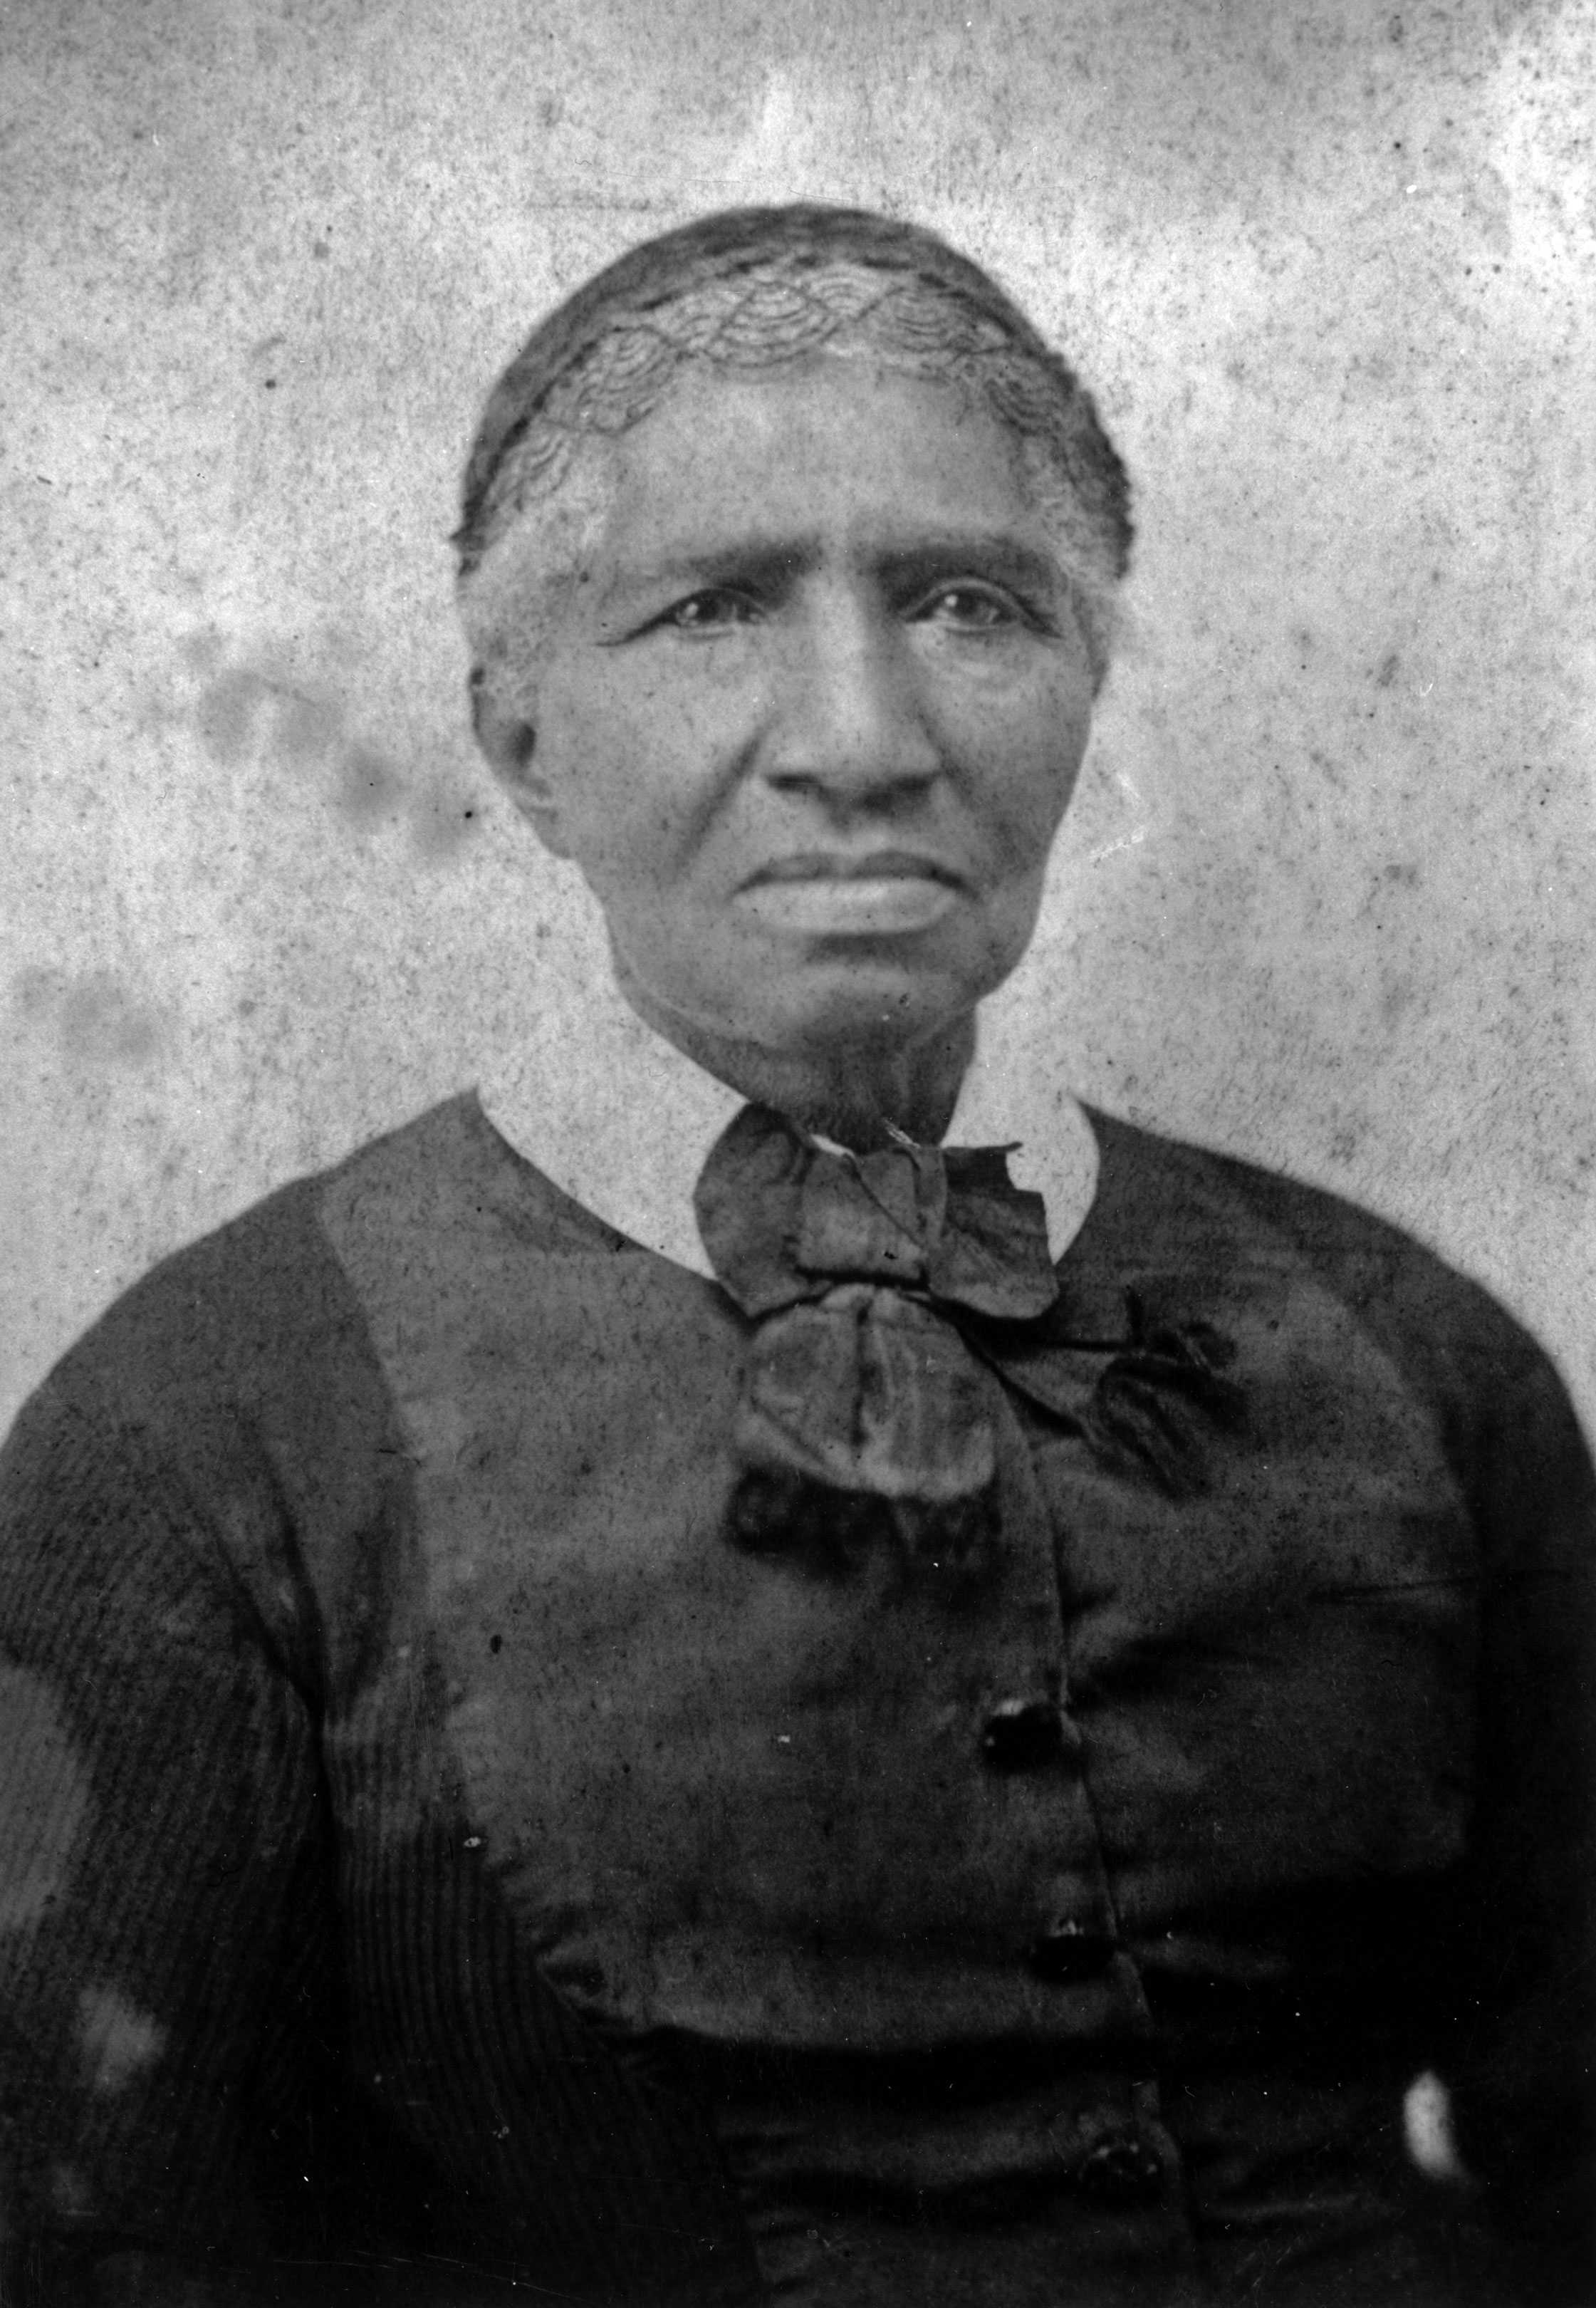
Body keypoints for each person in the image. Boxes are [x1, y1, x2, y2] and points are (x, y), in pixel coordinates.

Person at [0, 204, 1590, 2308]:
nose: (861, 735)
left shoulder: (1408, 1355)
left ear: (1085, 688)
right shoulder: (205, 1444)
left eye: (966, 604)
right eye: (714, 610)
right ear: (520, 742)